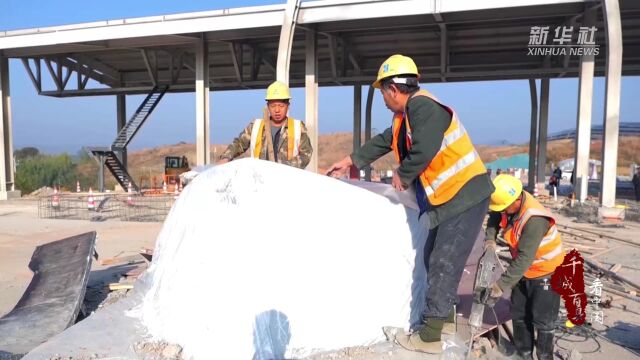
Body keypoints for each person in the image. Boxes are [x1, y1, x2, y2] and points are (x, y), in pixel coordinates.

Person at [326, 54, 494, 354]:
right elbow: (382, 142)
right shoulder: (403, 119)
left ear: (393, 89)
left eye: (382, 92)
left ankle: (429, 338)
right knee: (434, 256)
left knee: (444, 261)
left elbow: (425, 148)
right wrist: (350, 160)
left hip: (465, 196)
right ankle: (444, 321)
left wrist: (403, 174)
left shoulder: (423, 106)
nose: (382, 99)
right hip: (449, 199)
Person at [483, 174, 564, 360]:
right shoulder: (508, 205)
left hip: (547, 271)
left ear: (517, 200)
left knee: (543, 321)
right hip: (524, 270)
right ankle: (523, 355)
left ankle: (545, 356)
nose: (502, 211)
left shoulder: (534, 219)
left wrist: (500, 285)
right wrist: (490, 239)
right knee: (519, 315)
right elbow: (495, 216)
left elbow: (525, 258)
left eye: (505, 208)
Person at [218, 81, 313, 169]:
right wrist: (226, 157)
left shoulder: (298, 127)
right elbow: (239, 144)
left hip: (286, 181)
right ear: (268, 106)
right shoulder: (255, 126)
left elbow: (306, 154)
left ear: (288, 106)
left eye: (281, 106)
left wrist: (285, 168)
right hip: (259, 179)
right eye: (273, 106)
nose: (277, 110)